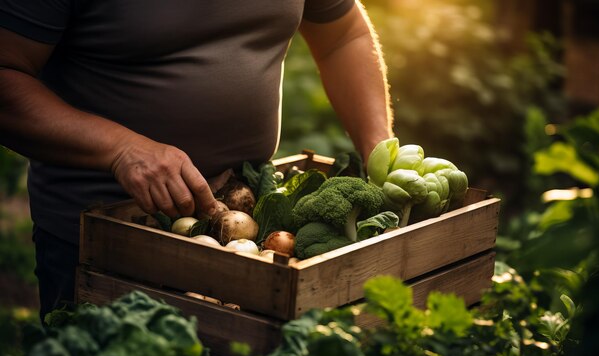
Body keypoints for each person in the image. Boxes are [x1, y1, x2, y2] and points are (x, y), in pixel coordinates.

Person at [0, 0, 394, 322]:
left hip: (247, 232)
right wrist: (121, 149)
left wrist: (381, 152)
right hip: (106, 237)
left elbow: (343, 35)